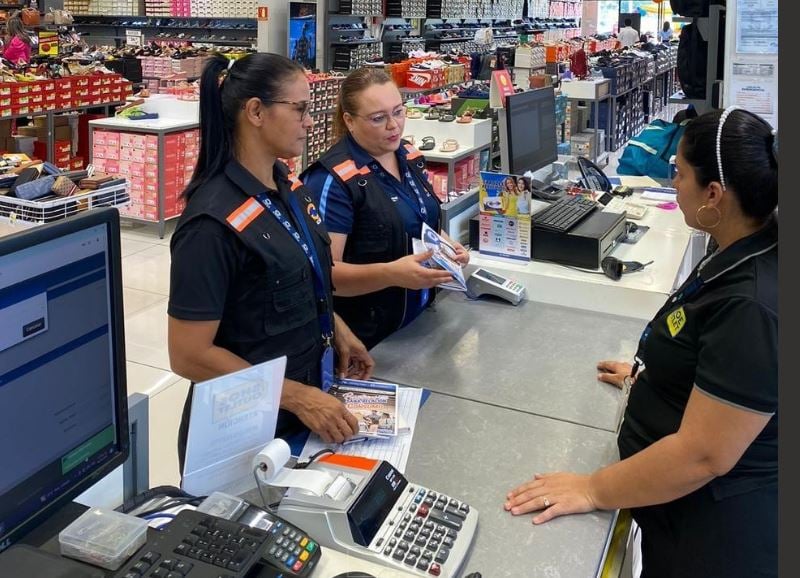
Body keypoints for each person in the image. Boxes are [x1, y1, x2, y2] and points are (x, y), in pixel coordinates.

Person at [504, 107, 778, 577]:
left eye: (679, 174)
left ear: (714, 193)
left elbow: (704, 453)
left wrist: (594, 489)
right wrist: (656, 379)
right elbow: (714, 361)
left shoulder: (753, 304)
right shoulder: (740, 244)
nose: (673, 185)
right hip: (682, 515)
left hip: (714, 538)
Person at [168, 53, 375, 471]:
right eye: (299, 109)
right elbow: (188, 355)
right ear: (256, 112)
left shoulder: (287, 185)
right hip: (242, 435)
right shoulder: (209, 225)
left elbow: (298, 272)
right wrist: (296, 395)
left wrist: (335, 327)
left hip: (301, 416)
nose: (311, 122)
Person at [302, 68, 469, 349]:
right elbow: (324, 276)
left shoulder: (409, 155)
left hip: (419, 324)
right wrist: (391, 273)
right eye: (378, 118)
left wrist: (448, 246)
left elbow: (416, 220)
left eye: (398, 112)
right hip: (367, 342)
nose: (394, 125)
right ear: (349, 121)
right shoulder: (332, 180)